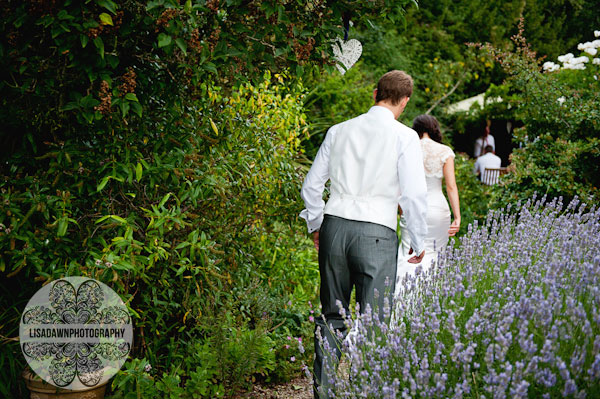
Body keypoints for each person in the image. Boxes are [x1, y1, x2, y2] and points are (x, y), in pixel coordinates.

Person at [299, 70, 428, 399]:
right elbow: (413, 195)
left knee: (331, 316)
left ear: (374, 93)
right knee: (375, 322)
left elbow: (312, 186)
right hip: (377, 232)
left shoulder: (339, 130)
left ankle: (323, 393)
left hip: (335, 227)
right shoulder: (405, 138)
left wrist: (316, 225)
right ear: (405, 102)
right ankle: (368, 392)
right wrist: (417, 237)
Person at [397, 115, 460, 282]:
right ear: (434, 129)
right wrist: (457, 217)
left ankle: (402, 301)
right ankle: (432, 298)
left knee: (407, 255)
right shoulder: (444, 151)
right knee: (437, 255)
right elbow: (451, 186)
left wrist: (401, 211)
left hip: (412, 208)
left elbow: (399, 186)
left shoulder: (407, 148)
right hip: (438, 210)